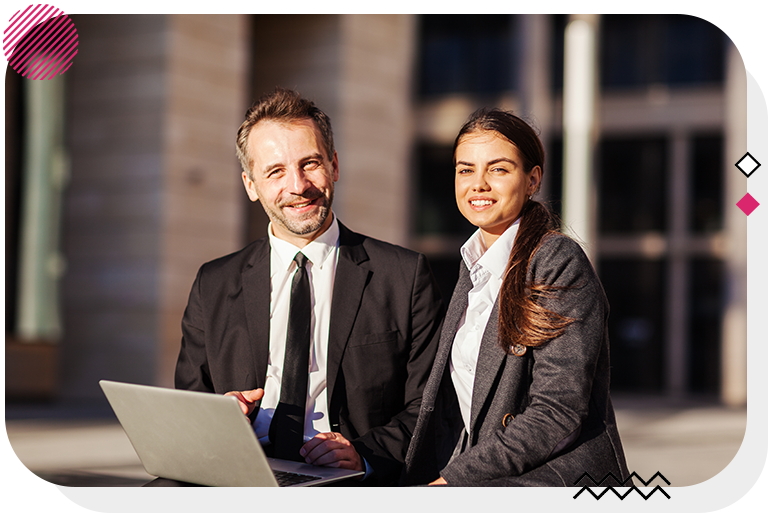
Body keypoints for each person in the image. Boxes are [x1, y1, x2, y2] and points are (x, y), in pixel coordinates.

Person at [174, 88, 444, 486]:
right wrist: (218, 417)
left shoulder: (403, 276)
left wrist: (363, 455)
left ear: (334, 165)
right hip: (235, 475)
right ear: (251, 185)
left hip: (347, 480)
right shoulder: (213, 283)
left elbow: (429, 404)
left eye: (310, 163)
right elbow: (190, 404)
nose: (297, 185)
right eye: (276, 171)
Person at [401, 108, 631, 487]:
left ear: (532, 179)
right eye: (465, 169)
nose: (478, 184)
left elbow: (556, 411)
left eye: (498, 169)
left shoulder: (556, 261)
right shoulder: (473, 266)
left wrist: (452, 482)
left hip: (547, 480)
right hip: (486, 475)